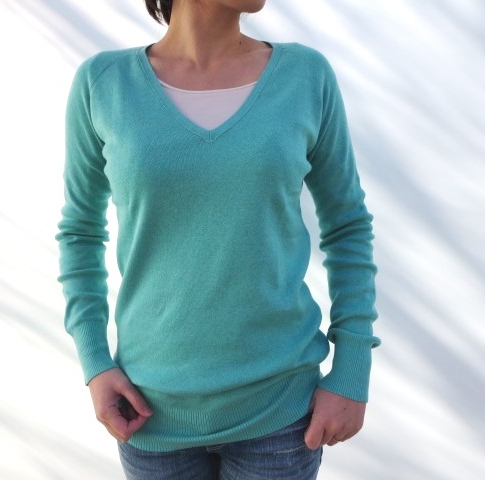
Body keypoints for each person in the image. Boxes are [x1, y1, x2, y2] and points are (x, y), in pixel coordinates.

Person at [56, 1, 380, 478]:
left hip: (280, 410)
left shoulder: (305, 76)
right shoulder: (103, 84)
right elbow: (80, 232)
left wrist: (353, 368)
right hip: (147, 411)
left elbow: (347, 224)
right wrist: (95, 362)